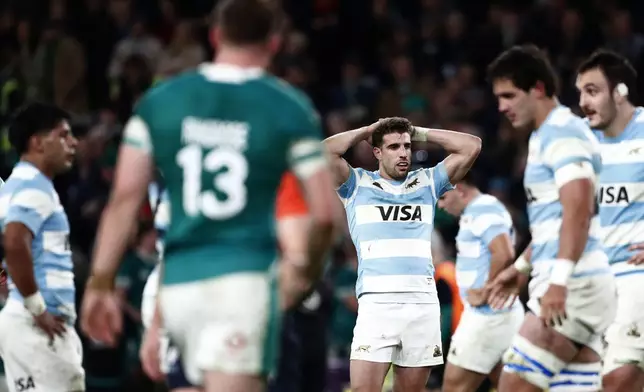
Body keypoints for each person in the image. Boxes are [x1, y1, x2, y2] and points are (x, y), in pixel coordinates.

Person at [80, 0, 340, 391]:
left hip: (179, 286)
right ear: (274, 42)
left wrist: (100, 283)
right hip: (242, 284)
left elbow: (123, 201)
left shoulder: (160, 102)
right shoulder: (288, 107)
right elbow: (323, 215)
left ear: (215, 35)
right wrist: (304, 270)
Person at [486, 45, 616, 392]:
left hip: (574, 286)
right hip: (580, 282)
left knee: (512, 385)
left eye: (509, 95)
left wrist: (559, 282)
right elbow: (557, 221)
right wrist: (521, 268)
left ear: (539, 89)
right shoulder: (548, 135)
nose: (502, 107)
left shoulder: (562, 132)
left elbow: (578, 209)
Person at [324, 116, 481, 392]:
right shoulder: (356, 184)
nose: (403, 153)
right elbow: (324, 152)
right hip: (377, 304)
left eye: (406, 146)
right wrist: (366, 131)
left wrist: (419, 132)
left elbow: (471, 146)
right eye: (394, 147)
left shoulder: (428, 182)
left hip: (421, 304)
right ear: (377, 152)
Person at [0, 102, 83, 391]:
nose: (73, 142)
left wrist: (8, 285)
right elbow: (13, 241)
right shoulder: (34, 186)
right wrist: (36, 307)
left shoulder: (12, 186)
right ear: (37, 142)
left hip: (28, 323)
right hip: (35, 326)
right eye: (63, 135)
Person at [575, 49, 644, 392]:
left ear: (619, 93)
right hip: (601, 280)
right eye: (580, 92)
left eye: (592, 91)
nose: (583, 102)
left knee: (615, 380)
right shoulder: (588, 144)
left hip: (637, 275)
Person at [437, 171, 524, 392]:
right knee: (505, 384)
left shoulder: (483, 209)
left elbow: (503, 253)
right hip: (498, 313)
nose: (440, 205)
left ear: (460, 189)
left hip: (487, 316)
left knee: (453, 388)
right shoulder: (477, 211)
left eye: (443, 198)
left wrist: (485, 290)